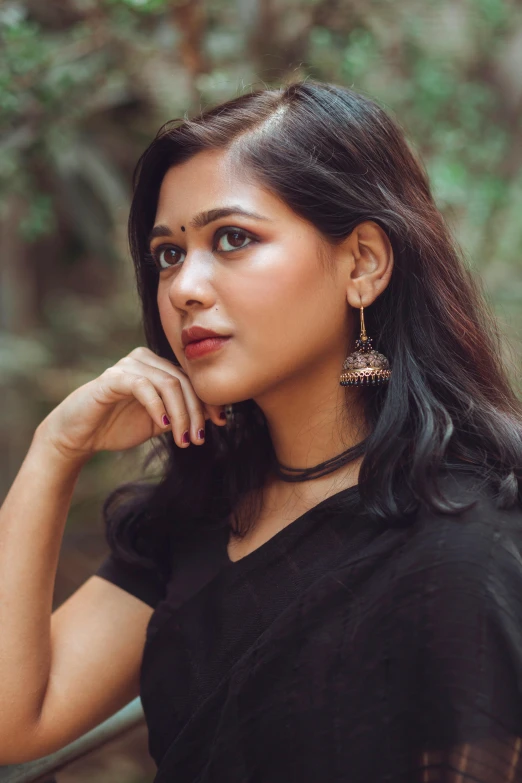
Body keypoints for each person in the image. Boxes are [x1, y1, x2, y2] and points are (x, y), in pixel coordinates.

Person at [1, 80, 522, 782]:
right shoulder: (195, 517)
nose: (184, 286)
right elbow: (14, 718)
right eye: (168, 254)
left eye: (233, 238)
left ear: (362, 263)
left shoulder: (465, 542)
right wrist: (54, 449)